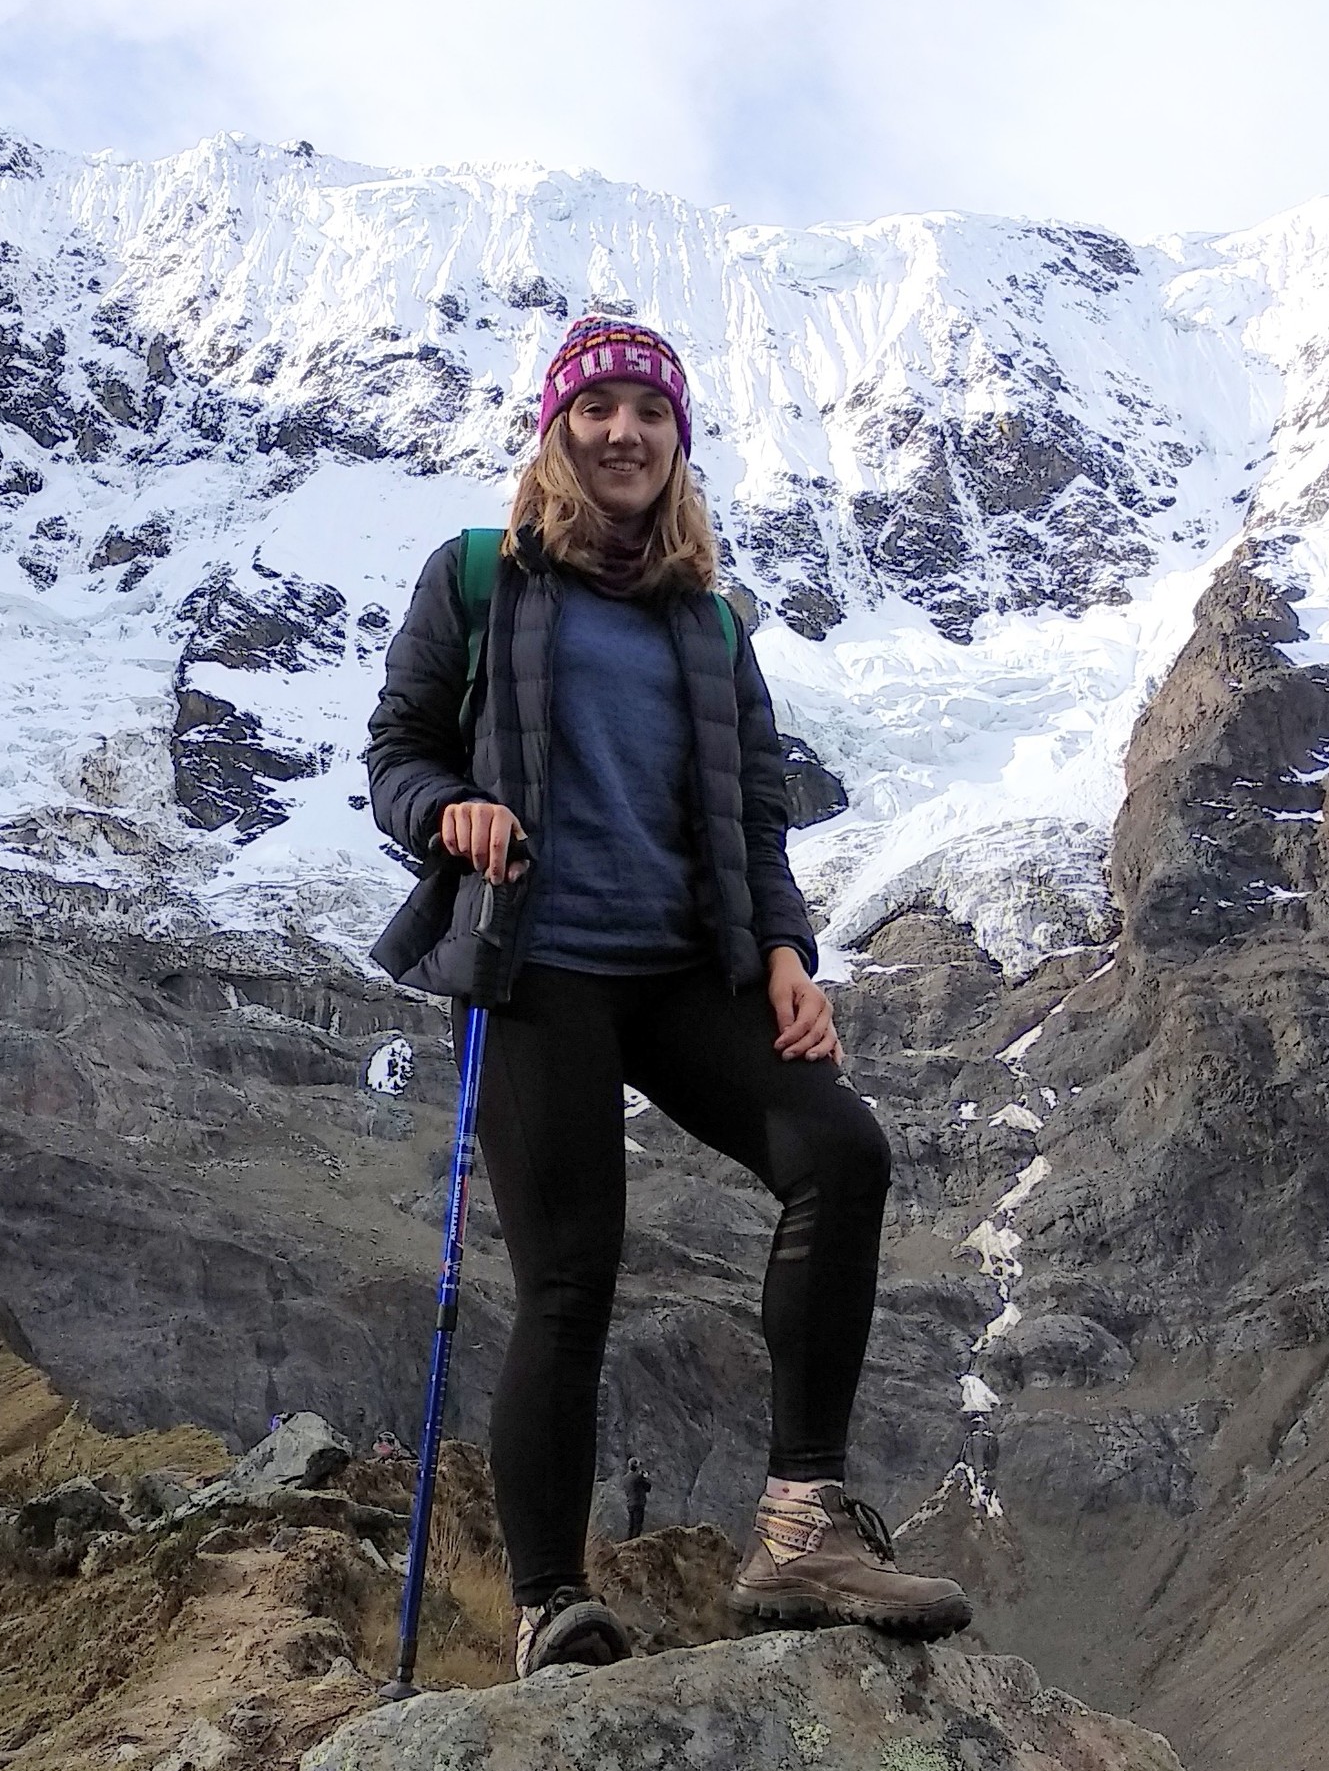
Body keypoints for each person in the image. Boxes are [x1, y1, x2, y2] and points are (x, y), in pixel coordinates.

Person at [365, 312, 971, 1679]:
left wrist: (783, 951)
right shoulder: (477, 580)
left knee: (841, 1152)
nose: (625, 431)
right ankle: (548, 1606)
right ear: (557, 431)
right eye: (599, 410)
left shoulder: (711, 624)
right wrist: (451, 810)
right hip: (537, 971)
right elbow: (397, 750)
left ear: (678, 440)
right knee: (571, 1276)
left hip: (684, 969)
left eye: (651, 411)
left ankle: (801, 1524)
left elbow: (751, 815)